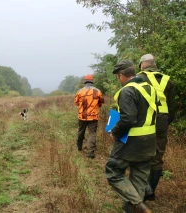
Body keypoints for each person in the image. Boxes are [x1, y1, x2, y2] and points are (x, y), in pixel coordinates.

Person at [106, 60, 157, 213]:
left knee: (113, 172)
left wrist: (114, 132)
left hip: (131, 142)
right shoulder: (150, 88)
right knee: (139, 179)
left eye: (117, 76)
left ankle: (140, 206)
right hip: (149, 142)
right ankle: (132, 209)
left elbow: (128, 118)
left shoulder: (127, 91)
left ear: (121, 75)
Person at [138, 54, 176, 201]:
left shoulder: (139, 79)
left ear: (142, 65)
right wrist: (167, 121)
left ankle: (142, 191)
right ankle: (151, 191)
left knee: (142, 155)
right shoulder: (167, 80)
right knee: (157, 157)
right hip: (162, 122)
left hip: (144, 123)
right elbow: (172, 107)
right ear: (154, 64)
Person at [74, 74, 104, 158]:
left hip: (82, 116)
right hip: (94, 116)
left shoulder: (79, 91)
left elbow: (76, 103)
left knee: (81, 132)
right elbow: (101, 103)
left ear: (84, 81)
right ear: (92, 81)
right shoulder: (98, 91)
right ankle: (90, 153)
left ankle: (79, 147)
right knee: (92, 134)